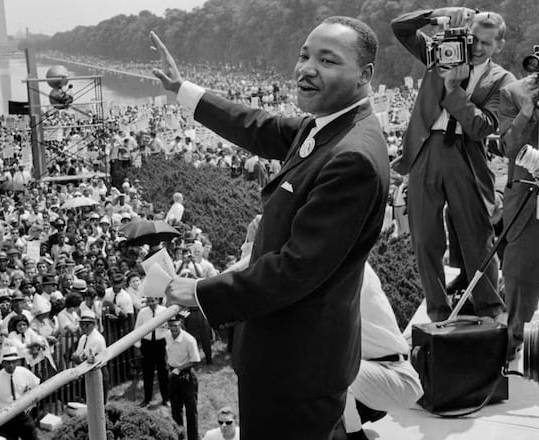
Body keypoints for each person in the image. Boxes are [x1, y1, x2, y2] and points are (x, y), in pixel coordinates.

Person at [154, 15, 390, 439]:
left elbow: (298, 268)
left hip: (296, 366)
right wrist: (182, 90)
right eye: (304, 56)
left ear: (365, 75)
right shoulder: (329, 126)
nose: (307, 68)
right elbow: (257, 126)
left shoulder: (351, 156)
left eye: (327, 60)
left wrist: (204, 292)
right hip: (287, 356)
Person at [391, 7, 514, 322]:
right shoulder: (440, 53)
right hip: (425, 150)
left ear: (499, 46)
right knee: (424, 237)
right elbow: (400, 28)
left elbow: (482, 127)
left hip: (465, 154)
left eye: (486, 43)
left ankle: (489, 308)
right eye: (473, 38)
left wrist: (453, 89)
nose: (476, 47)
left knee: (477, 235)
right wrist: (436, 14)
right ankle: (437, 310)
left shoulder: (503, 80)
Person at [497, 27, 539, 357]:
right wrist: (528, 110)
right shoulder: (514, 92)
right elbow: (509, 147)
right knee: (520, 280)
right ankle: (511, 347)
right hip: (527, 201)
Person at [343, 263, 423, 439]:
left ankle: (354, 435)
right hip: (375, 371)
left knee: (328, 366)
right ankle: (361, 410)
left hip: (394, 375)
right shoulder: (346, 258)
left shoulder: (345, 270)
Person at [0, 346, 40, 440]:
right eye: (8, 362)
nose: (11, 365)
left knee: (31, 435)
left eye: (14, 362)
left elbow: (36, 385)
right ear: (3, 363)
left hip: (21, 413)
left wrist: (30, 402)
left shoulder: (23, 372)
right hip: (4, 418)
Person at [165, 316, 200, 440]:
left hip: (187, 376)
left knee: (191, 410)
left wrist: (179, 369)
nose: (173, 329)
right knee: (175, 409)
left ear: (181, 324)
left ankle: (193, 438)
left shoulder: (189, 340)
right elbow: (168, 351)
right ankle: (180, 436)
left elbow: (195, 360)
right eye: (171, 326)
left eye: (176, 326)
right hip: (173, 376)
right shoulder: (167, 335)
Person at [134, 296, 169, 407]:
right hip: (147, 344)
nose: (151, 303)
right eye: (149, 301)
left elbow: (169, 328)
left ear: (157, 300)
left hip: (161, 343)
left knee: (163, 373)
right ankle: (147, 399)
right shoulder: (143, 313)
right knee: (147, 373)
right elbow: (137, 329)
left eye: (153, 301)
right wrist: (137, 346)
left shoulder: (164, 311)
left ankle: (166, 399)